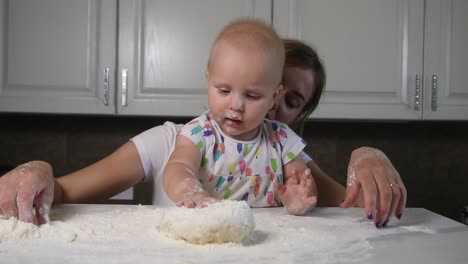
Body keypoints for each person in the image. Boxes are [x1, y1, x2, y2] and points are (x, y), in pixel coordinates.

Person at [0, 26, 406, 228]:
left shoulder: (285, 149)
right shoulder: (179, 139)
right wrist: (38, 169)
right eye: (231, 89)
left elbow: (358, 213)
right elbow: (66, 191)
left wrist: (367, 157)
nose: (244, 107)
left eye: (288, 101)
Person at [162, 19, 317, 216]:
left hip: (272, 238)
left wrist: (300, 196)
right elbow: (177, 168)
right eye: (224, 90)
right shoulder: (198, 133)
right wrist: (190, 191)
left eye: (252, 96)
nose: (236, 105)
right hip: (212, 229)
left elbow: (301, 180)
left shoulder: (282, 140)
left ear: (274, 97)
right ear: (208, 80)